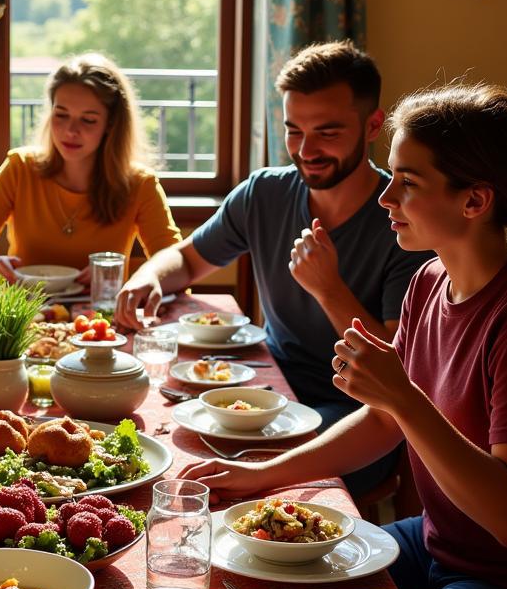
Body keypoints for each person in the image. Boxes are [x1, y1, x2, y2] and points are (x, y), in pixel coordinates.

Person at [182, 83, 507, 589]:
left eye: (408, 183)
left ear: (474, 200)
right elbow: (384, 424)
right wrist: (262, 475)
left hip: (498, 588)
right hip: (435, 542)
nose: (386, 196)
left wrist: (405, 399)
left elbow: (506, 518)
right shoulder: (429, 281)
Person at [116, 40, 431, 496]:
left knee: (249, 483)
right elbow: (185, 259)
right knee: (171, 452)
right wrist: (148, 276)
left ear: (372, 126)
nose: (306, 149)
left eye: (327, 132)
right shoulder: (264, 193)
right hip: (270, 391)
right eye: (293, 131)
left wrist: (329, 290)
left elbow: (397, 373)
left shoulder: (404, 222)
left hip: (355, 416)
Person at [0, 52, 181, 284]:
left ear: (111, 124)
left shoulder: (140, 184)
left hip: (100, 316)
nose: (70, 131)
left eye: (88, 120)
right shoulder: (21, 168)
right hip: (25, 314)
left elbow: (173, 261)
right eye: (61, 115)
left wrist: (122, 274)